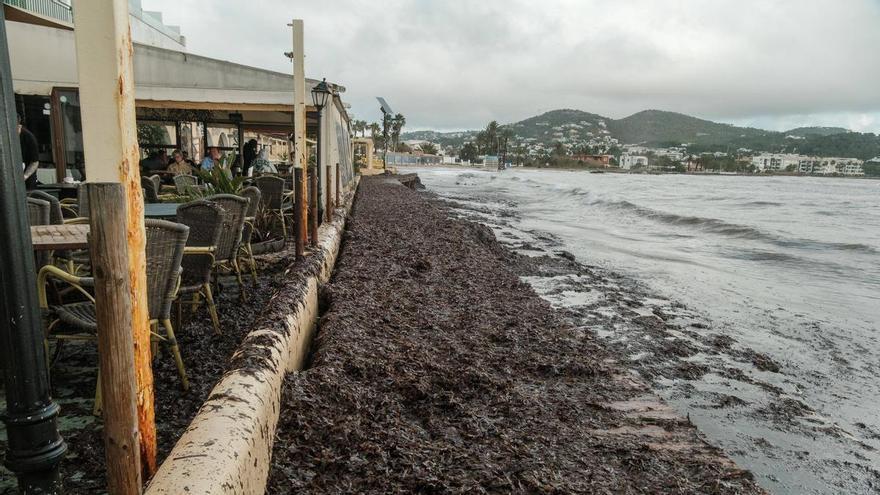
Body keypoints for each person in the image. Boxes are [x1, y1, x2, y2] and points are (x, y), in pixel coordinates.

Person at [17, 114, 39, 190]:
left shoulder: (29, 137)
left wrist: (25, 176)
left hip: (28, 175)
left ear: (19, 126)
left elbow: (35, 162)